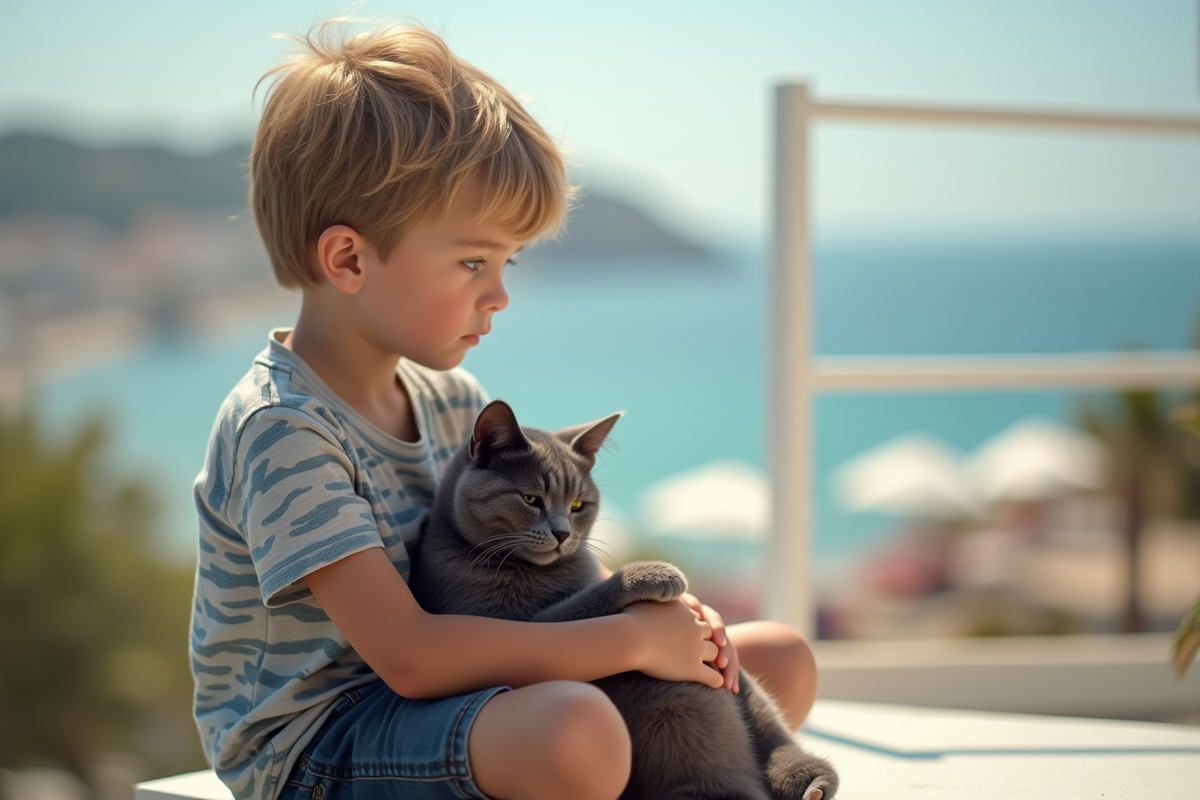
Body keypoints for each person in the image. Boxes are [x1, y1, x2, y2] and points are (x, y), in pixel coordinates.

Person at [190, 20, 819, 800]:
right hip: (328, 745)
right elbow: (411, 656)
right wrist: (628, 638)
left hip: (467, 692)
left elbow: (537, 578)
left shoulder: (450, 398)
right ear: (348, 259)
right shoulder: (284, 429)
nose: (500, 294)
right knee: (574, 730)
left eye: (507, 261)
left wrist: (663, 625)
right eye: (473, 261)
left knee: (779, 657)